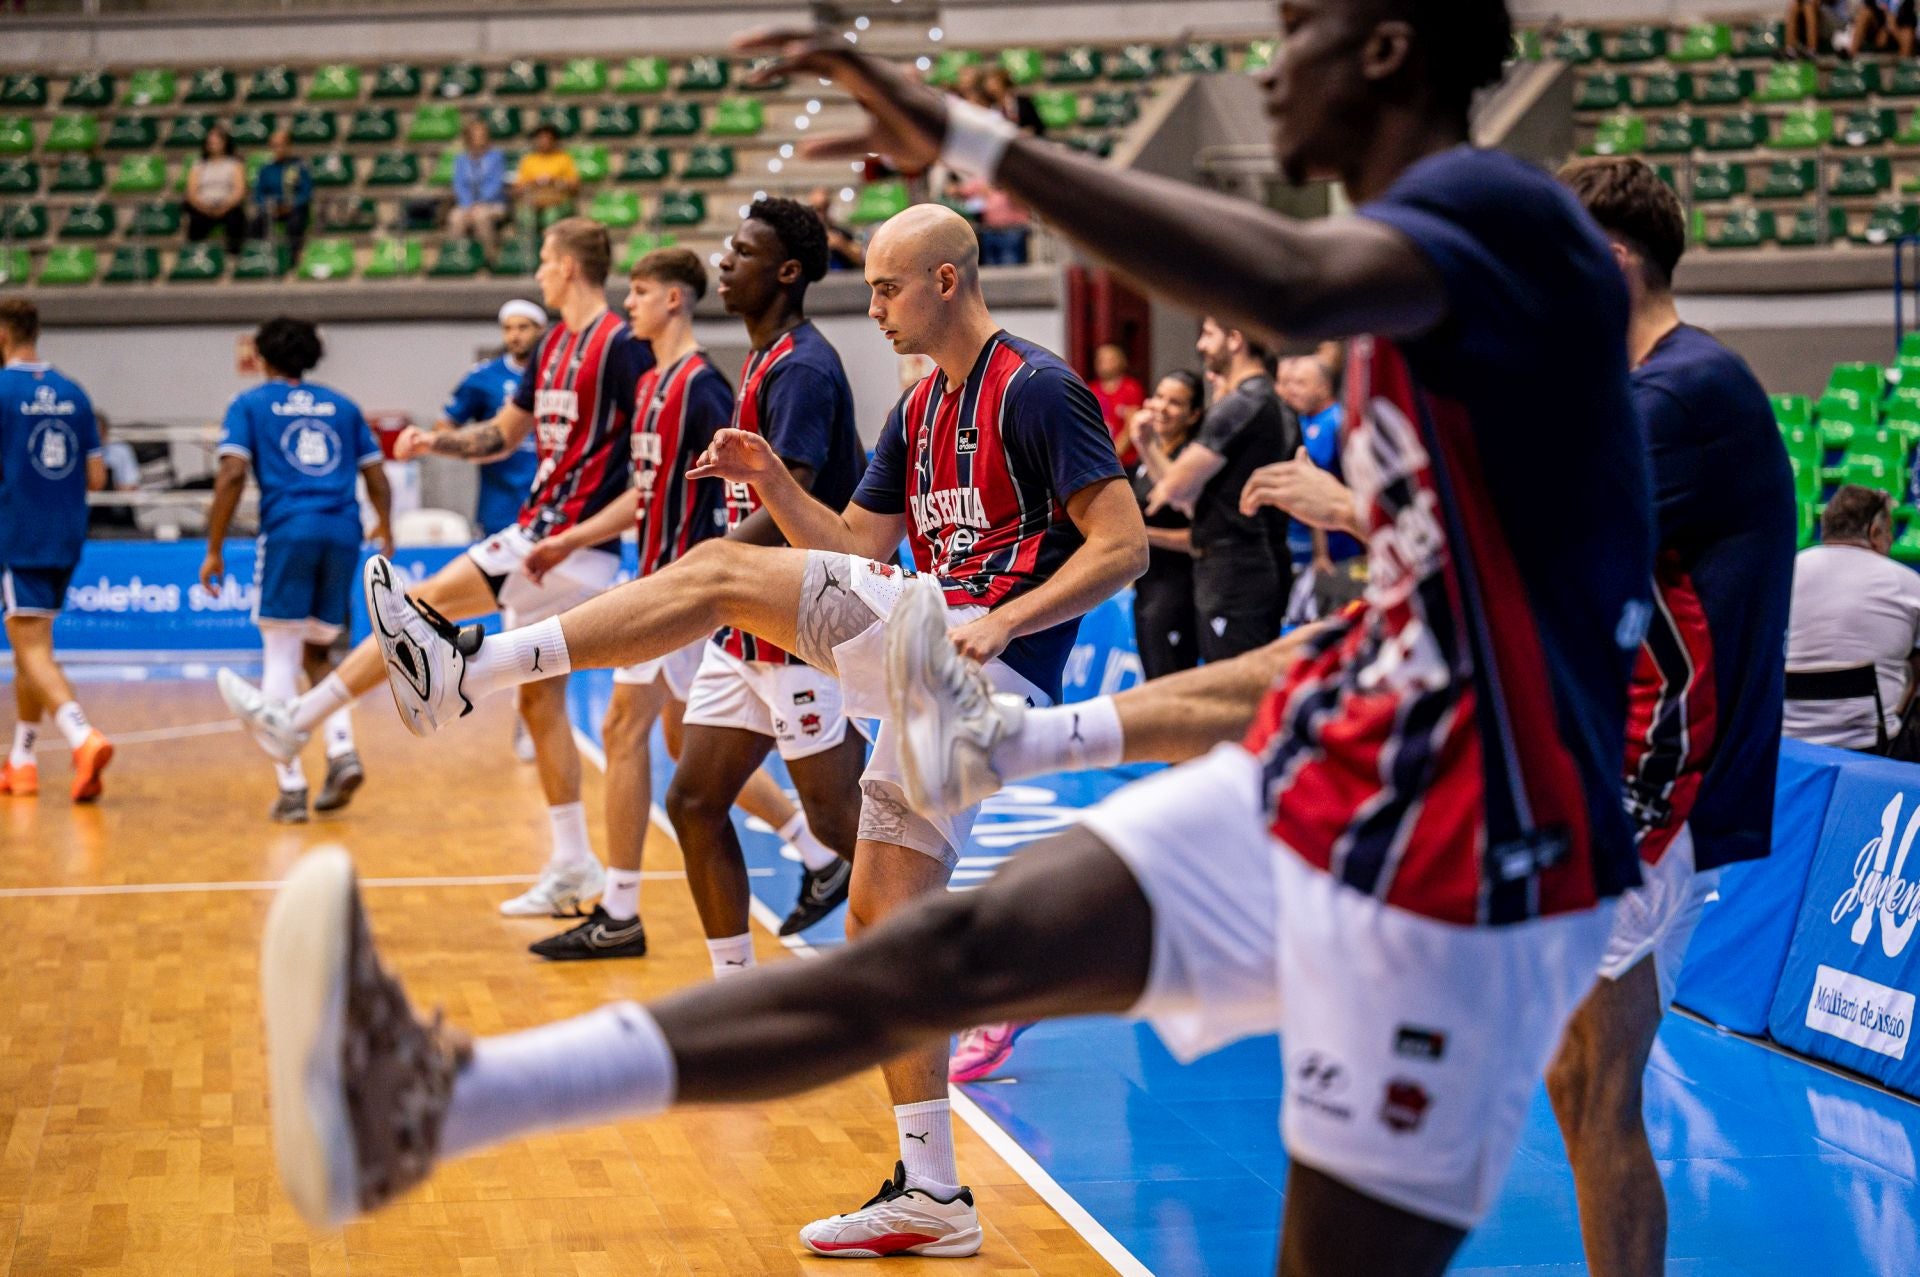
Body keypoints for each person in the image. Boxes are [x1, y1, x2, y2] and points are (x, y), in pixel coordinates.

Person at [259, 4, 1651, 1273]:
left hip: (1476, 870)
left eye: (1293, 32)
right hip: (1316, 778)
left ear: (1391, 46)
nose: (1266, 65)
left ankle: (468, 678)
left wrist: (977, 144)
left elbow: (1265, 312)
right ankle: (439, 1101)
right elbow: (1360, 649)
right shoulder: (1427, 338)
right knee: (920, 947)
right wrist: (1048, 735)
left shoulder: (1503, 223)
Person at [334, 201, 1141, 1257]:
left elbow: (1120, 544)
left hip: (978, 660)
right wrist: (771, 481)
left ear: (948, 280)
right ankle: (935, 1191)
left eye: (891, 288)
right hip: (934, 676)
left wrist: (1007, 618)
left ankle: (465, 665)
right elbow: (857, 536)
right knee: (887, 932)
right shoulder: (916, 409)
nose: (879, 308)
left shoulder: (1037, 387)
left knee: (713, 575)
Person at [220, 218, 647, 915]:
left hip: (562, 540)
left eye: (544, 260)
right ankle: (572, 862)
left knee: (412, 608)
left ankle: (297, 718)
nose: (537, 272)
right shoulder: (549, 351)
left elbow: (650, 455)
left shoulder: (623, 347)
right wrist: (435, 443)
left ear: (568, 267)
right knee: (541, 705)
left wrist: (587, 533)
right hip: (546, 541)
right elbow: (501, 436)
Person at [1539, 156, 1796, 1277]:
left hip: (1666, 771)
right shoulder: (1643, 389)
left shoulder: (1681, 393)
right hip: (1622, 760)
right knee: (1572, 1071)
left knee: (1600, 1077)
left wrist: (1358, 503)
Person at [518, 235, 854, 959]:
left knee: (625, 731)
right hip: (675, 582)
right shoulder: (651, 384)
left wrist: (709, 572)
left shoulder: (707, 382)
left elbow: (758, 490)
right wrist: (578, 538)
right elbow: (652, 493)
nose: (627, 303)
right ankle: (817, 858)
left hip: (695, 588)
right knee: (680, 756)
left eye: (637, 293)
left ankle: (621, 906)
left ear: (673, 298)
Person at [656, 198, 869, 950]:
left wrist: (699, 572)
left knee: (841, 819)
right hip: (749, 620)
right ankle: (734, 987)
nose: (723, 260)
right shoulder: (764, 357)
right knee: (692, 799)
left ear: (785, 271)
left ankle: (970, 962)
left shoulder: (805, 366)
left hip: (801, 618)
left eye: (741, 251)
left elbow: (790, 503)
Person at [201, 318, 394, 822]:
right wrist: (387, 527)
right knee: (318, 651)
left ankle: (290, 786)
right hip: (343, 532)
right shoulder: (343, 405)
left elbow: (232, 474)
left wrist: (214, 547)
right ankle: (342, 751)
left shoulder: (249, 404)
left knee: (281, 652)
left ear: (261, 359)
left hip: (289, 529)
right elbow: (376, 474)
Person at [0, 297, 113, 803]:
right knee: (34, 647)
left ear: (2, 337)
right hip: (66, 535)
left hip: (15, 534)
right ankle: (21, 760)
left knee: (29, 647)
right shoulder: (74, 392)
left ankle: (81, 737)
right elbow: (96, 474)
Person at [1146, 317, 1295, 662]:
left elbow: (1174, 487)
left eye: (1209, 335)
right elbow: (1184, 496)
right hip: (1232, 565)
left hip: (1236, 568)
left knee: (1235, 690)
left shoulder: (1244, 402)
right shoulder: (1261, 400)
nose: (1200, 346)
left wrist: (1146, 444)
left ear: (1236, 339)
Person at [1784, 484, 1920, 751]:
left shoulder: (1785, 573)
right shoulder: (1908, 584)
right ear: (1875, 532)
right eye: (1890, 533)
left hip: (1788, 745)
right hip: (1874, 749)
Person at [434, 300, 545, 539]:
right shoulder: (484, 377)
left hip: (549, 501)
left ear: (541, 329)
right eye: (508, 328)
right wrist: (475, 444)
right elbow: (444, 426)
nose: (515, 336)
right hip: (500, 505)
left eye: (523, 328)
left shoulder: (558, 373)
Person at [1123, 371, 1203, 681]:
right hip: (1147, 587)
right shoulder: (1146, 457)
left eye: (1175, 402)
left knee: (1170, 679)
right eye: (1159, 397)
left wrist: (1144, 536)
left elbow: (1201, 536)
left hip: (1179, 589)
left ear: (1193, 414)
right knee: (1152, 677)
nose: (1162, 407)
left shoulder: (1191, 461)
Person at [1274, 354, 1362, 621]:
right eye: (1288, 383)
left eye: (1301, 383)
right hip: (1301, 551)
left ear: (1323, 387)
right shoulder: (1300, 421)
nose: (1291, 390)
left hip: (1339, 554)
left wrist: (1322, 552)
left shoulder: (1339, 422)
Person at [184, 124, 247, 256]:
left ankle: (234, 255)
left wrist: (224, 207)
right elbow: (191, 193)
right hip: (203, 207)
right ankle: (194, 256)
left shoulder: (235, 164)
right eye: (210, 142)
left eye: (216, 141)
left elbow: (239, 191)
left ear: (225, 143)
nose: (212, 144)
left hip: (228, 207)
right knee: (195, 221)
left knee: (236, 218)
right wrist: (204, 207)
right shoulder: (199, 165)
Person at [448, 119, 508, 260]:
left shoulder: (496, 157)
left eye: (482, 134)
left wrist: (480, 203)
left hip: (493, 204)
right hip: (467, 205)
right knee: (455, 217)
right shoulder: (461, 160)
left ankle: (489, 259)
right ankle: (460, 258)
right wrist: (468, 205)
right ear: (468, 137)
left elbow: (496, 184)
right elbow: (459, 184)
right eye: (476, 134)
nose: (479, 137)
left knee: (481, 217)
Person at [252, 128, 312, 265]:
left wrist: (292, 205)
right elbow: (259, 194)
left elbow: (306, 192)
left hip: (294, 208)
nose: (278, 149)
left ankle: (291, 259)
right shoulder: (266, 169)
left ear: (289, 146)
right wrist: (269, 206)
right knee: (255, 224)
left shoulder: (299, 166)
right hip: (272, 208)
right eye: (274, 145)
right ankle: (257, 258)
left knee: (295, 222)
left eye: (281, 145)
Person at [512, 125, 580, 235]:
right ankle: (529, 250)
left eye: (547, 139)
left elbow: (575, 186)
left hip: (558, 203)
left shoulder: (564, 158)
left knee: (551, 217)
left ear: (554, 141)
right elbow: (517, 188)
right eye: (540, 139)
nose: (544, 142)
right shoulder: (529, 160)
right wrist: (533, 183)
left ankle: (551, 248)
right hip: (533, 202)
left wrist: (556, 181)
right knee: (525, 216)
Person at [1090, 341, 1145, 465]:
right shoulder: (1090, 390)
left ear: (1122, 361)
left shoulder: (1131, 388)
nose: (1104, 363)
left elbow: (1131, 425)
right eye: (1101, 359)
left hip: (1126, 461)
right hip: (1098, 459)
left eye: (1110, 359)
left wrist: (1113, 454)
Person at [807, 186, 865, 270]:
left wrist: (841, 244)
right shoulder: (804, 235)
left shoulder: (841, 233)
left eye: (825, 207)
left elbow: (861, 260)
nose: (822, 213)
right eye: (817, 209)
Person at [982, 66, 1045, 137]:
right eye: (988, 83)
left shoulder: (1023, 103)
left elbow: (1039, 126)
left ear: (1003, 83)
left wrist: (1030, 130)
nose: (990, 86)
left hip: (1023, 142)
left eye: (994, 83)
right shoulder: (986, 105)